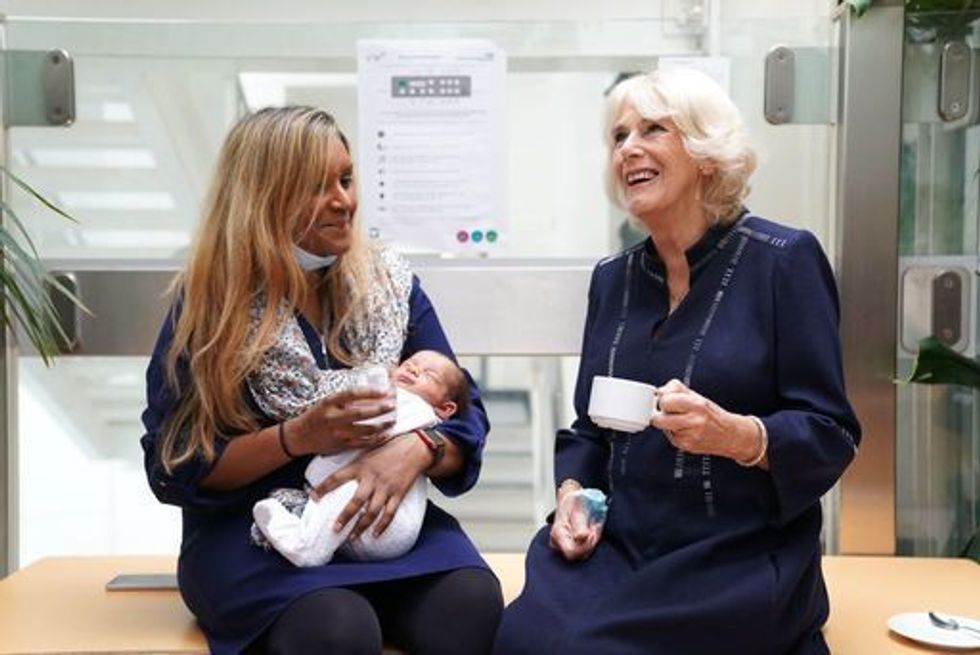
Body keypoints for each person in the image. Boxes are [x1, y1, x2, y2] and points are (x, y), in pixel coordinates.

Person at [493, 68, 861, 655]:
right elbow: (591, 431)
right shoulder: (613, 280)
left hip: (734, 551)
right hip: (619, 542)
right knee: (520, 638)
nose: (629, 148)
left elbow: (831, 431)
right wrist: (572, 497)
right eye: (619, 137)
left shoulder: (783, 261)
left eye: (653, 129)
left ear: (707, 153)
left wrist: (736, 435)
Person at [140, 106, 502, 655]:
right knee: (337, 628)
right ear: (263, 197)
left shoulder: (389, 286)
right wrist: (298, 437)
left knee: (471, 603)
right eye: (316, 186)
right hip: (257, 536)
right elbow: (176, 467)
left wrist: (415, 449)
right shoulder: (210, 311)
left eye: (346, 178)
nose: (343, 201)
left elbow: (462, 415)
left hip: (381, 521)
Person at [250, 350, 471, 566]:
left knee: (351, 487)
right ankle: (307, 531)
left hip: (384, 525)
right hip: (364, 526)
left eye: (428, 374)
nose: (413, 369)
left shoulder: (418, 409)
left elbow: (375, 425)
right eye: (409, 364)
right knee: (346, 489)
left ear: (445, 408)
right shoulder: (400, 401)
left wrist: (370, 382)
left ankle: (308, 548)